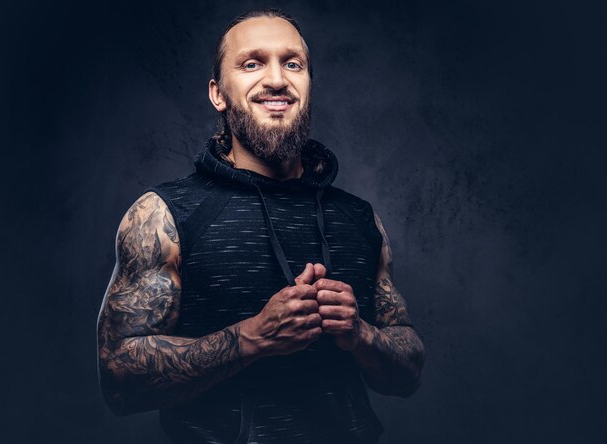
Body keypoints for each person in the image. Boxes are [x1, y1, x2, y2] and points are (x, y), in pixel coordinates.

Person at [97, 8, 425, 444]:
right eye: (252, 63)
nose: (276, 79)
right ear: (218, 93)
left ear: (308, 85)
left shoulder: (358, 219)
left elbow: (408, 375)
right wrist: (252, 337)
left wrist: (359, 333)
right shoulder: (164, 215)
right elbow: (119, 379)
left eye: (293, 63)